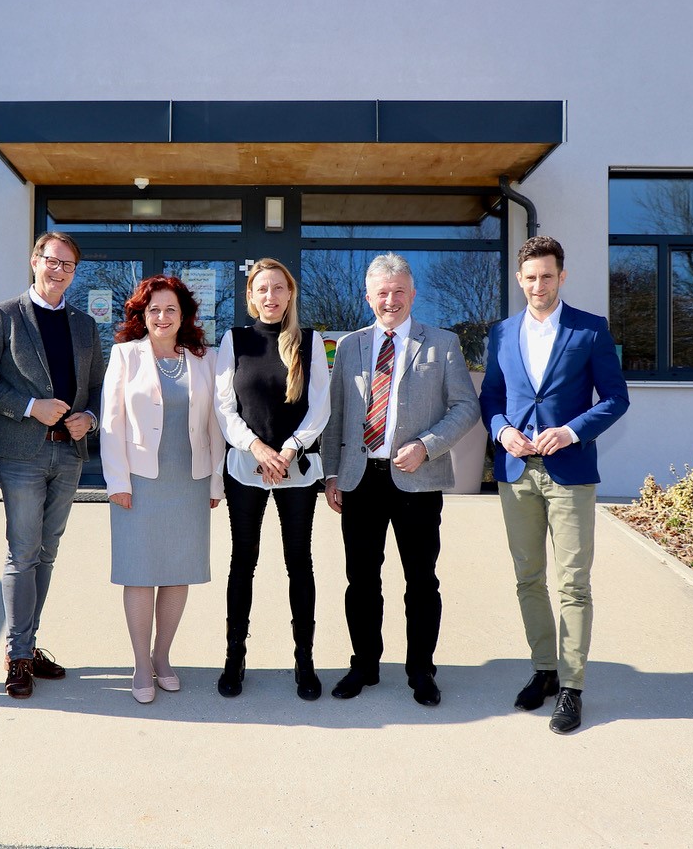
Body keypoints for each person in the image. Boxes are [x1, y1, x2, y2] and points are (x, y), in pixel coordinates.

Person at [479, 235, 629, 734]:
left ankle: (572, 686)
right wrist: (502, 431)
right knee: (528, 578)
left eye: (547, 276)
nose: (538, 285)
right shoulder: (502, 333)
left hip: (570, 472)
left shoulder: (590, 329)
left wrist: (570, 432)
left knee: (573, 583)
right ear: (519, 280)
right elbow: (491, 397)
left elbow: (615, 398)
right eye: (530, 277)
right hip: (516, 472)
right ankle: (544, 669)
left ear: (561, 277)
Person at [321, 253, 479, 707]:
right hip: (360, 479)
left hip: (417, 480)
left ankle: (421, 671)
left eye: (398, 292)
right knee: (361, 580)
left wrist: (427, 445)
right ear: (367, 297)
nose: (390, 300)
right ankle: (364, 665)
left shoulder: (442, 343)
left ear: (413, 294)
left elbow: (466, 407)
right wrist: (331, 472)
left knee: (421, 580)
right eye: (381, 293)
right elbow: (336, 413)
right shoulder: (349, 346)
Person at [0, 231, 104, 700]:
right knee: (23, 553)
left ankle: (28, 643)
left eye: (68, 265)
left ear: (75, 273)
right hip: (22, 453)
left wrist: (90, 417)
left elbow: (98, 387)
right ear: (34, 261)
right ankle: (18, 653)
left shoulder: (84, 324)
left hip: (69, 453)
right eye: (52, 261)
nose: (58, 270)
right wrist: (29, 407)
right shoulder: (3, 315)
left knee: (47, 552)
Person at [100, 276, 225, 704]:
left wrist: (215, 479)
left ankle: (162, 656)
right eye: (154, 309)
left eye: (171, 308)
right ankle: (140, 663)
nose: (162, 316)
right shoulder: (125, 355)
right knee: (139, 572)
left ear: (184, 314)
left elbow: (215, 424)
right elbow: (111, 422)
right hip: (138, 482)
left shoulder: (205, 359)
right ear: (142, 314)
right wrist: (117, 482)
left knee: (177, 571)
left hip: (189, 481)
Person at [214, 258, 331, 700]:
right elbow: (224, 407)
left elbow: (320, 406)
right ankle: (234, 658)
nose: (271, 296)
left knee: (299, 562)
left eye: (278, 288)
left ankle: (305, 661)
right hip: (247, 468)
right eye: (262, 288)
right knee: (243, 562)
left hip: (295, 470)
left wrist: (289, 449)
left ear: (290, 294)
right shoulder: (234, 340)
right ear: (251, 296)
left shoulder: (310, 342)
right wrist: (257, 448)